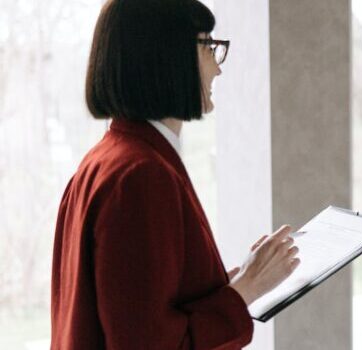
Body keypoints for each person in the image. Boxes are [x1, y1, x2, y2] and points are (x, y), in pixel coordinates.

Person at [51, 0, 299, 348]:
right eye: (209, 46)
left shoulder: (107, 160)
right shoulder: (140, 176)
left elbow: (146, 311)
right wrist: (247, 288)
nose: (218, 67)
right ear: (169, 56)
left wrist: (242, 280)